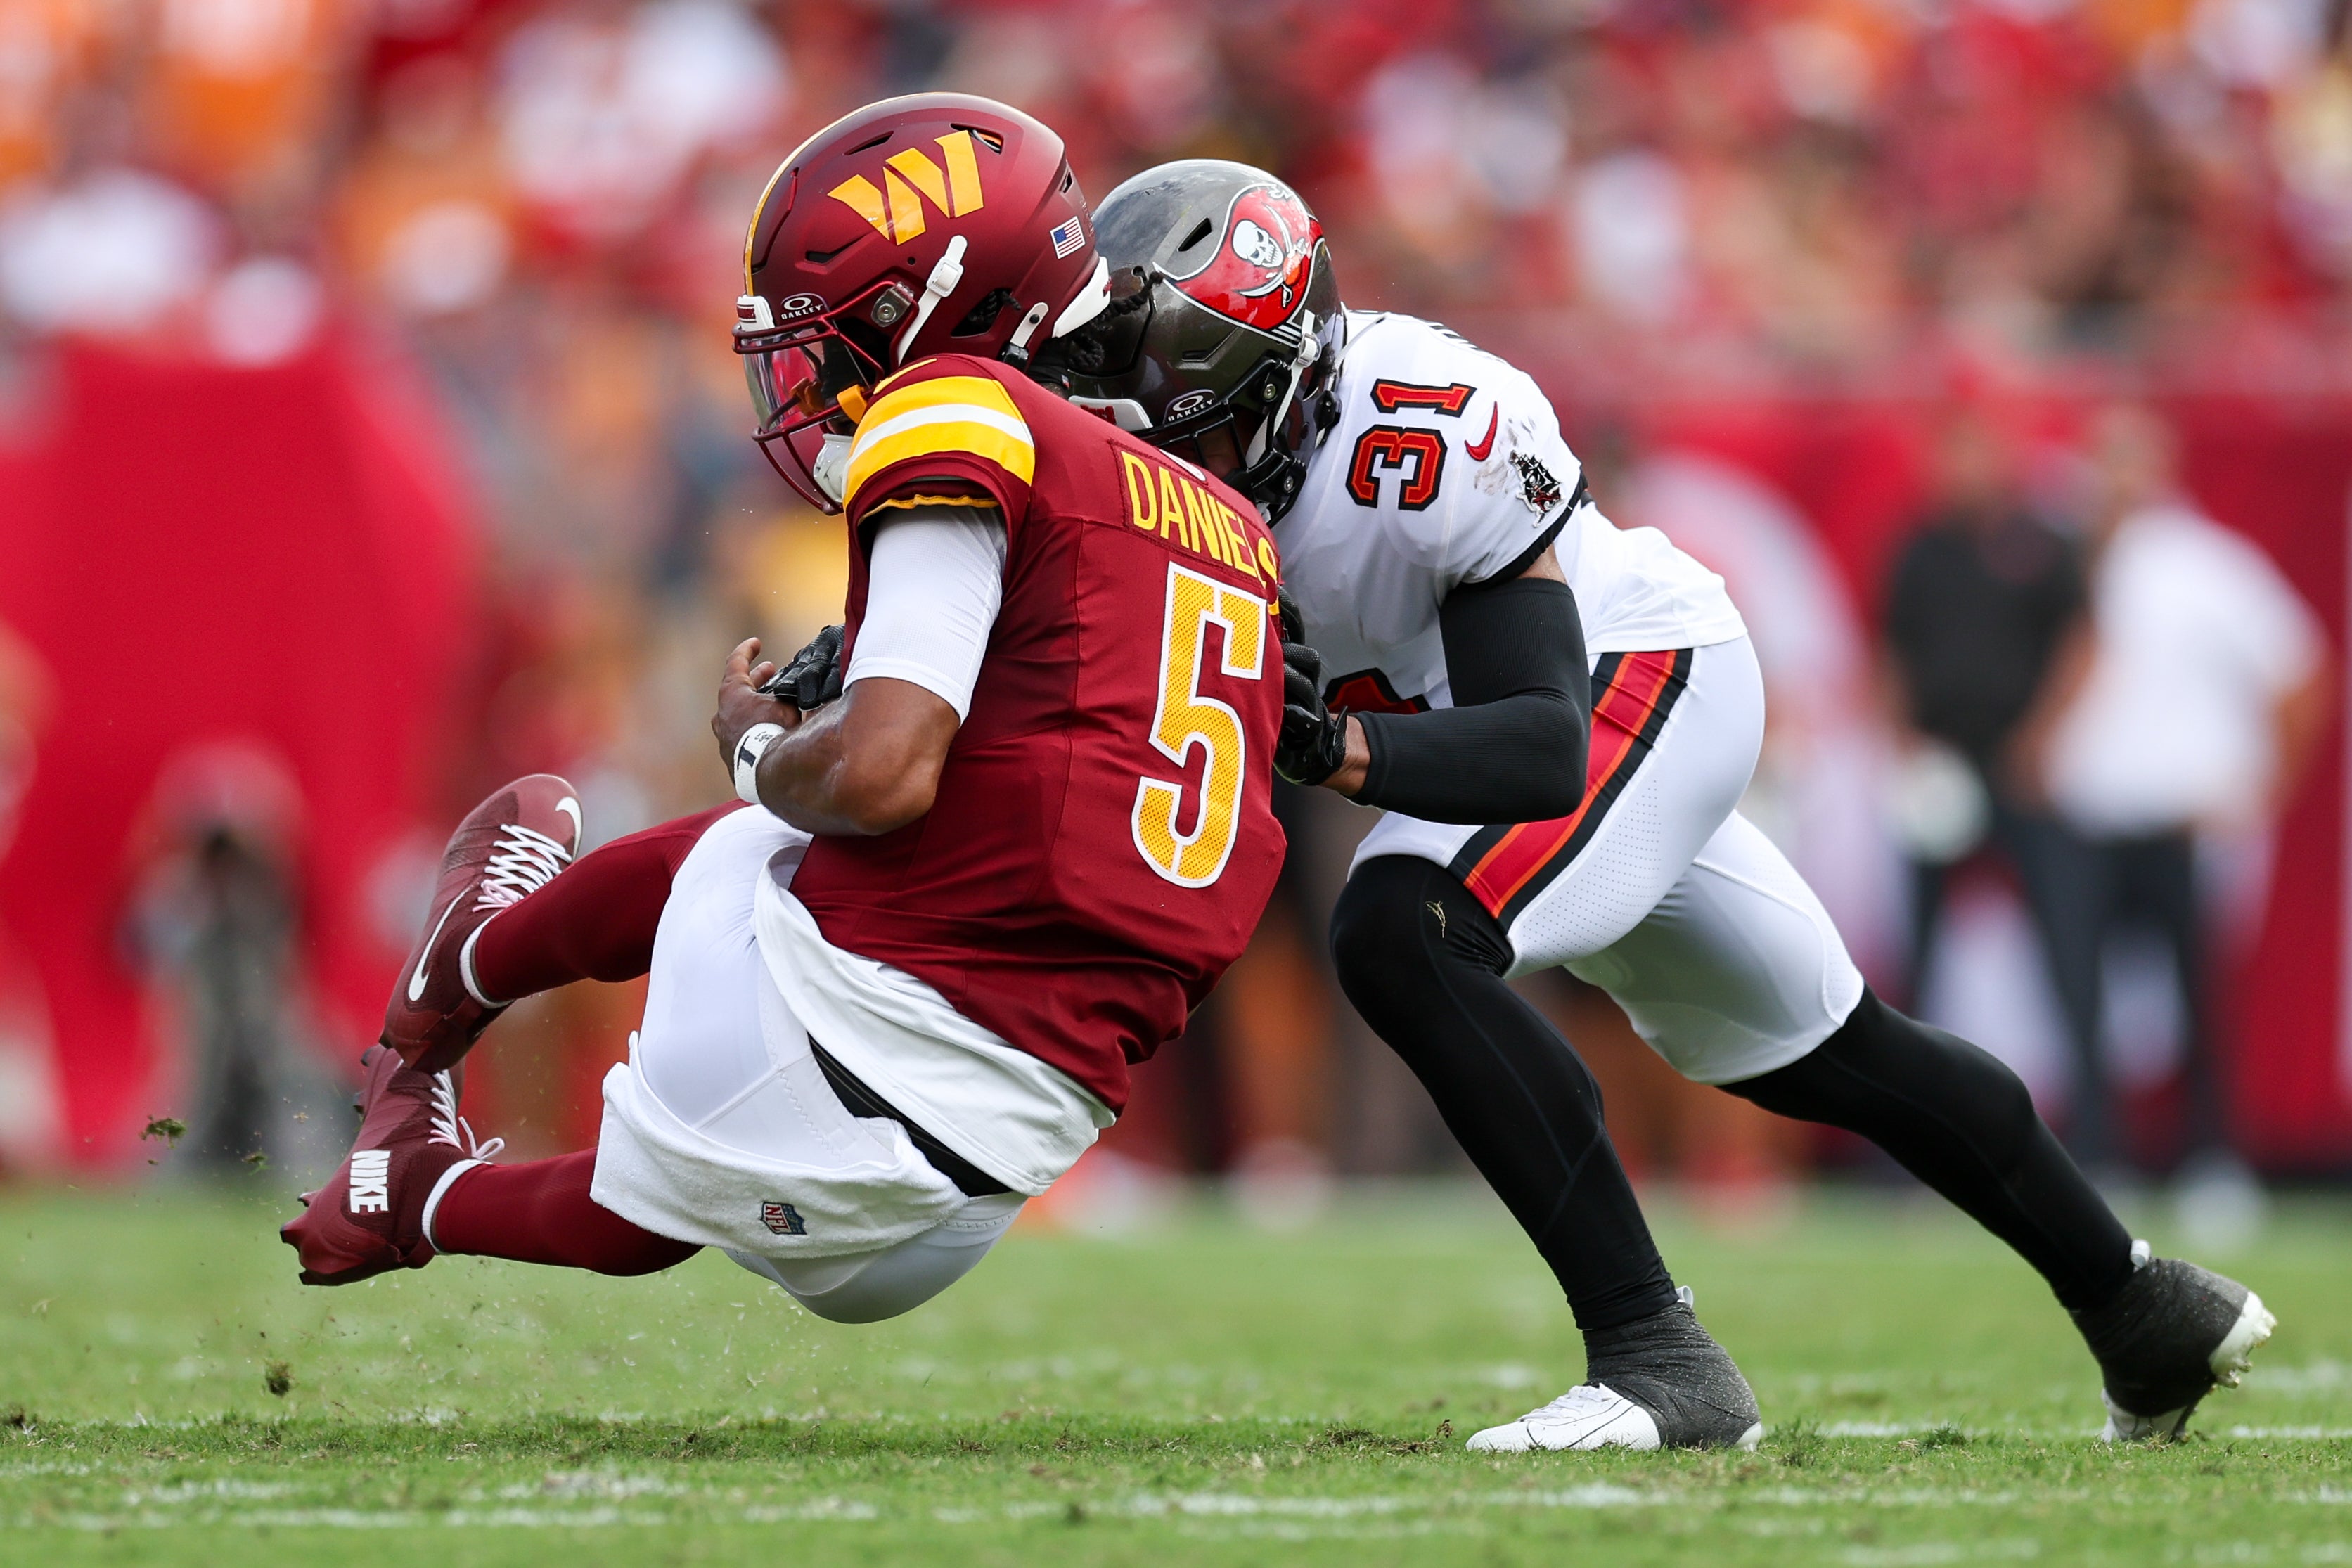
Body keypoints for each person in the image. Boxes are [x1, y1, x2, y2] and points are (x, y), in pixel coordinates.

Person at [1067, 160, 2273, 1450]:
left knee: (1405, 928)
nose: (1163, 453)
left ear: (1295, 379)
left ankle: (1655, 1353)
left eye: (1199, 424)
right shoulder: (1152, 446)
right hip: (1509, 730)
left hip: (1636, 675)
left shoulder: (1424, 424)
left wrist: (1340, 749)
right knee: (1835, 1050)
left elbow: (1537, 748)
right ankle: (2142, 1309)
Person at [283, 95, 1286, 1325]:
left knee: (769, 831)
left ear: (942, 303)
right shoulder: (1225, 522)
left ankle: (467, 966)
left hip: (836, 1051)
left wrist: (759, 746)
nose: (815, 374)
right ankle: (417, 1203)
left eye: (842, 332)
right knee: (676, 1189)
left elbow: (879, 777)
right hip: (983, 1179)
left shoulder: (962, 406)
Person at [2031, 405, 2330, 1219]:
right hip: (2085, 814)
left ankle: (2212, 1158)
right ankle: (2097, 1154)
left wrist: (2259, 787)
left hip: (2176, 817)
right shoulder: (2067, 559)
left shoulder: (2208, 566)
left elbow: (2301, 672)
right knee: (2078, 995)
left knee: (2198, 996)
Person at [1879, 408, 2114, 1162]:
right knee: (1916, 955)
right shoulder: (1919, 547)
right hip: (1945, 765)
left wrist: (2042, 738)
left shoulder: (2043, 544)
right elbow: (1886, 652)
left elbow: (2082, 641)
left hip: (2019, 765)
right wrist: (1907, 744)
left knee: (2069, 951)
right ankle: (1900, 1146)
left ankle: (2101, 1140)